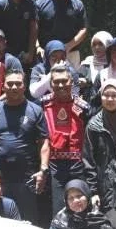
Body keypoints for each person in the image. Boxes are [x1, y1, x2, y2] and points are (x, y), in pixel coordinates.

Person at [0, 70, 50, 226]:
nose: (14, 87)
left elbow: (44, 141)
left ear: (24, 86)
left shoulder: (35, 110)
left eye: (18, 84)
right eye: (10, 84)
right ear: (3, 86)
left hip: (27, 177)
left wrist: (43, 169)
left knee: (28, 221)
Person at [41, 65, 92, 218]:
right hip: (53, 165)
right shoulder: (42, 104)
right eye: (56, 82)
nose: (61, 85)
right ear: (51, 84)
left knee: (80, 207)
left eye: (64, 81)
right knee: (58, 209)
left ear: (72, 82)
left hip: (77, 164)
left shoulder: (83, 107)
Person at [83, 78, 116, 229]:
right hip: (109, 187)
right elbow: (88, 160)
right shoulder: (94, 126)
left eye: (114, 95)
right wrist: (94, 191)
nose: (110, 99)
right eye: (106, 95)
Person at [35, 0, 87, 68]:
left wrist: (68, 46)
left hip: (71, 53)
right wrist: (37, 47)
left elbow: (83, 29)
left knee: (71, 81)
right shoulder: (40, 4)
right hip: (45, 53)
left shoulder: (77, 4)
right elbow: (33, 28)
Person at [50, 179, 114, 229]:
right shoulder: (59, 221)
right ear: (66, 202)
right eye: (71, 198)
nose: (76, 201)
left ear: (87, 195)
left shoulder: (100, 222)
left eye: (79, 196)